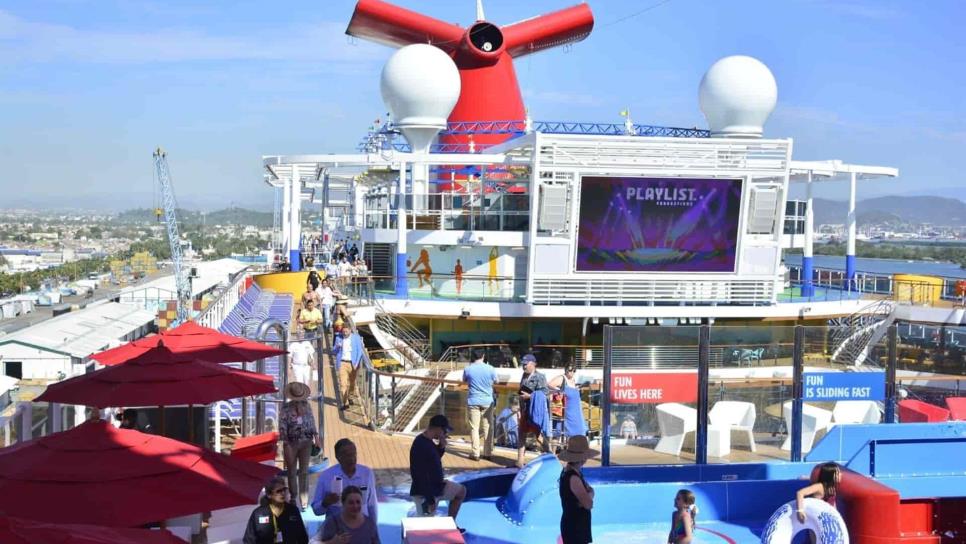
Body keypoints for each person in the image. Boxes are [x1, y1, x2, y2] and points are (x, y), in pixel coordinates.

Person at [409, 415, 467, 528]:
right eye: (444, 431)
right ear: (438, 429)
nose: (445, 434)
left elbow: (433, 459)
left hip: (437, 486)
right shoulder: (420, 445)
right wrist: (430, 499)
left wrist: (441, 446)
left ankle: (451, 524)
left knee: (461, 492)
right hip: (424, 493)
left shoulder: (429, 441)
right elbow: (419, 475)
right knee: (426, 528)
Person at [311, 439, 378, 524]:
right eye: (348, 455)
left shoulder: (367, 473)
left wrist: (373, 530)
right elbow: (316, 511)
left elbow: (372, 505)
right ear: (338, 457)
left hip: (361, 529)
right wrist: (325, 502)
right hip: (336, 531)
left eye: (354, 454)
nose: (352, 459)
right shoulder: (326, 476)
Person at [279, 382, 320, 510]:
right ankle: (293, 497)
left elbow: (312, 421)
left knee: (304, 471)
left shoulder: (307, 406)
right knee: (291, 470)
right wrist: (285, 442)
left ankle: (304, 499)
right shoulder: (286, 408)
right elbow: (282, 426)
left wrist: (316, 437)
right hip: (291, 443)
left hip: (306, 441)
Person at [243, 476, 309, 544]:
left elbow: (302, 537)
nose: (283, 493)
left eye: (284, 489)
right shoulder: (258, 514)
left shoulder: (293, 511)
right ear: (269, 495)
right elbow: (248, 540)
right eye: (279, 491)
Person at [558, 435, 598, 544]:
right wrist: (590, 493)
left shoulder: (571, 471)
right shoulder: (574, 477)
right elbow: (588, 504)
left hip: (573, 524)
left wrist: (588, 493)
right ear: (583, 458)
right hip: (575, 527)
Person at [462, 347, 497, 461]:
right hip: (487, 401)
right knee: (488, 427)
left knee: (474, 428)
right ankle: (488, 453)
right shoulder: (490, 368)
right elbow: (496, 380)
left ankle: (475, 453)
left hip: (473, 400)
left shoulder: (468, 369)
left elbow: (464, 380)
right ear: (483, 356)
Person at [314, 486, 380, 544]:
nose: (355, 506)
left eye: (358, 502)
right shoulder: (332, 522)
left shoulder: (369, 524)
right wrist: (332, 542)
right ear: (343, 503)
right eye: (351, 503)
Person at [517, 357, 551, 468]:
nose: (524, 366)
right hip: (525, 410)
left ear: (533, 364)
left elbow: (545, 393)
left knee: (539, 436)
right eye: (523, 364)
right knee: (521, 434)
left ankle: (551, 457)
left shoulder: (540, 377)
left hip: (534, 411)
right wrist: (519, 408)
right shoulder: (524, 376)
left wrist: (530, 396)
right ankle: (520, 461)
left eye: (525, 364)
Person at [549, 364, 588, 440]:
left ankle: (571, 449)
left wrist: (580, 386)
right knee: (560, 432)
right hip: (566, 410)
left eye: (574, 371)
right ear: (566, 370)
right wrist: (558, 391)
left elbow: (572, 390)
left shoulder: (573, 380)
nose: (572, 372)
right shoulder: (561, 378)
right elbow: (549, 384)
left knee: (578, 431)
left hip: (576, 410)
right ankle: (554, 451)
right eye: (570, 370)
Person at [334, 326, 364, 410]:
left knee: (352, 383)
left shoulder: (356, 338)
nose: (344, 333)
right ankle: (345, 403)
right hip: (342, 363)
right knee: (343, 384)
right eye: (343, 332)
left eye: (346, 331)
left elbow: (360, 352)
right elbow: (334, 351)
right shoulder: (338, 338)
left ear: (350, 331)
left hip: (352, 363)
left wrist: (357, 363)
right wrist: (337, 346)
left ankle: (350, 396)